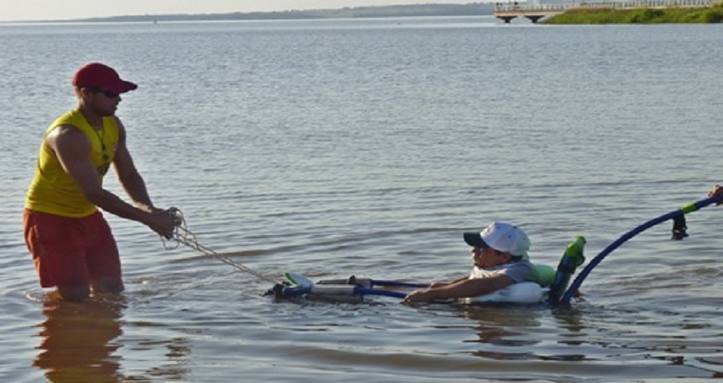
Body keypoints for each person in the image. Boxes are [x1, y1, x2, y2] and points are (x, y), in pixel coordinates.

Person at [23, 62, 177, 302]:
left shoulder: (113, 124)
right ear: (85, 94)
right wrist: (147, 220)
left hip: (87, 216)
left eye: (120, 93)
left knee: (112, 291)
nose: (118, 99)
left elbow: (128, 174)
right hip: (50, 219)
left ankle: (107, 338)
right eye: (111, 93)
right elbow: (94, 192)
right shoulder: (68, 136)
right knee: (75, 299)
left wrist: (149, 208)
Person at [404, 221, 536, 303]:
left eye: (481, 249)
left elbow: (486, 284)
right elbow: (479, 277)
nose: (473, 252)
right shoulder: (497, 265)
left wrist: (431, 294)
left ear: (504, 257)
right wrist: (448, 284)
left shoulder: (520, 269)